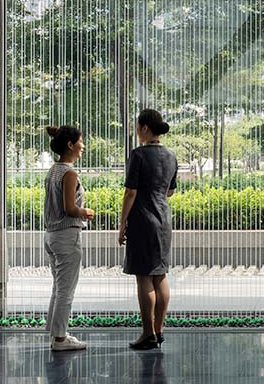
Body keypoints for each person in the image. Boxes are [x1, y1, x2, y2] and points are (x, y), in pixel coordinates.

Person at [119, 108, 178, 351]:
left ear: (144, 128)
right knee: (160, 274)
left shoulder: (139, 154)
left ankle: (147, 333)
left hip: (143, 220)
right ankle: (159, 330)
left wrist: (122, 223)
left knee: (144, 276)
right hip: (163, 219)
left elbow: (130, 192)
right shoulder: (171, 156)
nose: (136, 130)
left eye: (137, 126)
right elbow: (170, 191)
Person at [43, 124, 94, 351]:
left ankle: (56, 335)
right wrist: (87, 212)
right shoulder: (69, 173)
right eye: (81, 142)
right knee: (66, 290)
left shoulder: (54, 170)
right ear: (71, 145)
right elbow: (69, 208)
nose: (83, 146)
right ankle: (61, 340)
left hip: (52, 236)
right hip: (66, 236)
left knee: (59, 287)